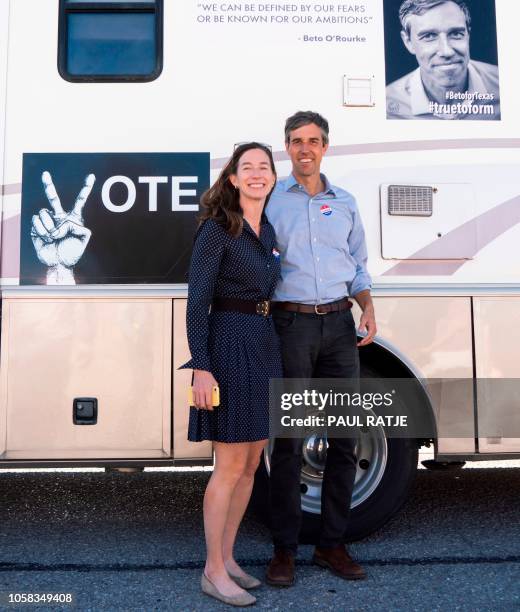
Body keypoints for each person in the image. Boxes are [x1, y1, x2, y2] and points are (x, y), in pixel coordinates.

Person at [265, 111, 377, 586]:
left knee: (344, 439)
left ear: (325, 147)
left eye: (313, 140)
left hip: (339, 324)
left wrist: (367, 307)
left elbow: (358, 267)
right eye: (296, 141)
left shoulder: (346, 202)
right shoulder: (270, 201)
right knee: (289, 441)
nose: (304, 149)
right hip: (291, 325)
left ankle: (332, 544)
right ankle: (285, 550)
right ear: (286, 149)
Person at [181, 142, 282, 606]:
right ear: (234, 179)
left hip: (262, 343)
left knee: (250, 465)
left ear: (272, 178)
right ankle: (212, 570)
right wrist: (201, 366)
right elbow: (197, 300)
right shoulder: (218, 228)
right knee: (229, 466)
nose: (257, 174)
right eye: (248, 167)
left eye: (265, 167)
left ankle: (229, 557)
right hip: (227, 345)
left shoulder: (268, 230)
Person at [386, 0, 500, 120]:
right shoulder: (388, 104)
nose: (447, 52)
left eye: (456, 33)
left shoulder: (505, 86)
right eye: (429, 36)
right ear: (408, 42)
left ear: (468, 35)